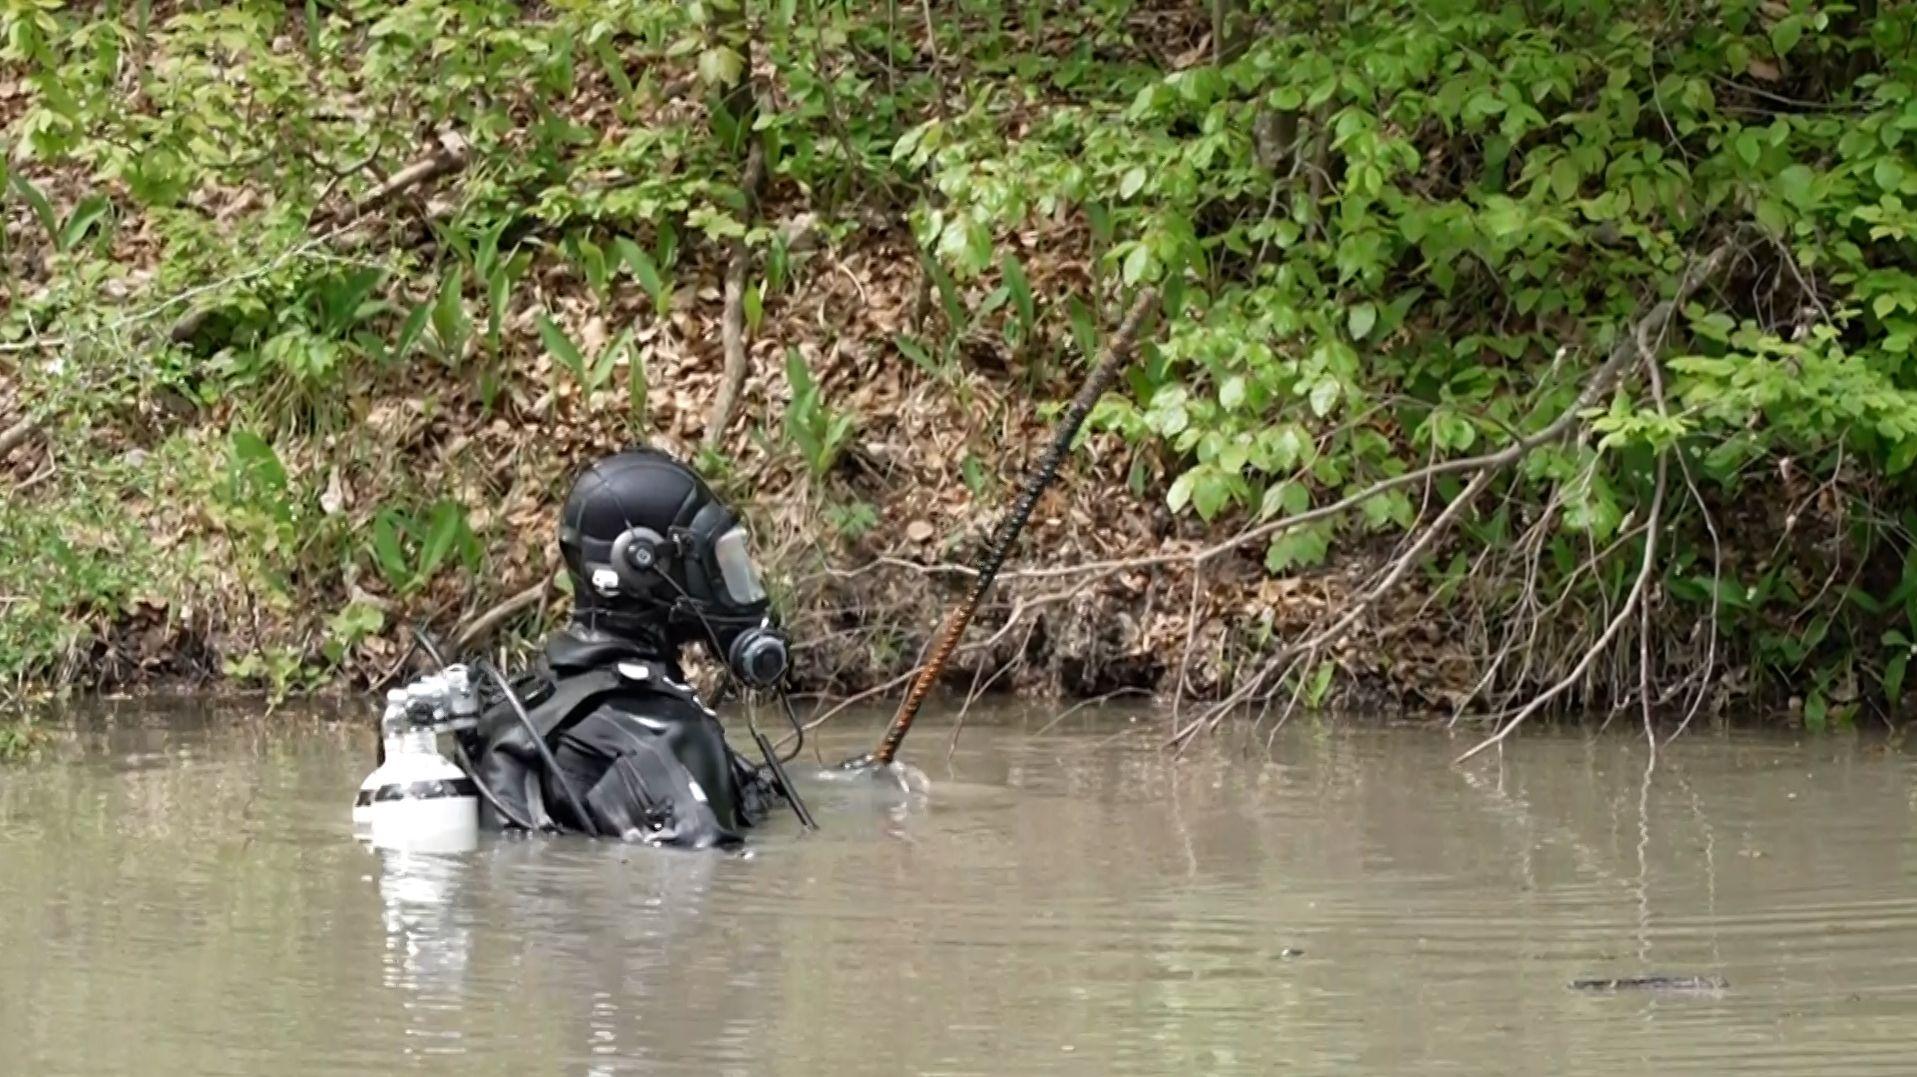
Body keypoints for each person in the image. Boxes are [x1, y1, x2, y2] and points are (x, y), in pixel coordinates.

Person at [454, 446, 798, 849]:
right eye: (713, 561)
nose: (729, 585)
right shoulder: (666, 736)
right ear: (642, 565)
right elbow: (713, 890)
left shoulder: (524, 704)